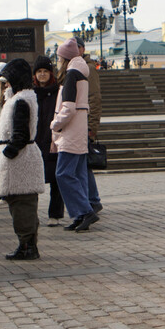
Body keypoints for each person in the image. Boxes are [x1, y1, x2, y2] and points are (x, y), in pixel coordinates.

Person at [0, 59, 45, 260]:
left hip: (19, 162)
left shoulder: (20, 101)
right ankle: (27, 244)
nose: (5, 85)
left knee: (22, 205)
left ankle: (27, 246)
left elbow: (20, 133)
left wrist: (9, 152)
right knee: (23, 204)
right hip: (21, 160)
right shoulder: (20, 98)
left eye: (7, 81)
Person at [52, 38, 97, 232]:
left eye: (58, 57)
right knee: (78, 173)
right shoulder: (81, 73)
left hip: (70, 132)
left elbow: (68, 108)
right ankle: (81, 215)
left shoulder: (71, 75)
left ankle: (84, 211)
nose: (57, 61)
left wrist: (55, 124)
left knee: (63, 173)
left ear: (64, 57)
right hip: (79, 129)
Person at [33, 55, 64, 225]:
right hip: (36, 140)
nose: (42, 74)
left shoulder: (58, 91)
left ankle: (55, 215)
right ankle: (33, 215)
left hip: (53, 140)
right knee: (33, 180)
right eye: (39, 71)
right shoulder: (31, 93)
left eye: (45, 71)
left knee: (55, 179)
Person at [75, 38, 104, 215]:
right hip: (75, 124)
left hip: (84, 124)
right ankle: (91, 199)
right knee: (81, 163)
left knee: (84, 164)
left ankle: (93, 199)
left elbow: (94, 98)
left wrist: (92, 125)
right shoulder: (71, 68)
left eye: (77, 47)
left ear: (83, 49)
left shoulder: (89, 69)